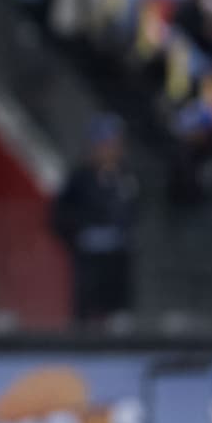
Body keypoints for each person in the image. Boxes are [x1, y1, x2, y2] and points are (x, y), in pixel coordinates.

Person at [51, 115, 139, 323]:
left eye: (115, 144)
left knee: (118, 312)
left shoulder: (127, 177)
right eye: (105, 144)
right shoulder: (79, 178)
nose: (111, 150)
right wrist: (79, 235)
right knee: (86, 309)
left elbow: (135, 211)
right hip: (88, 257)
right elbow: (59, 214)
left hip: (118, 256)